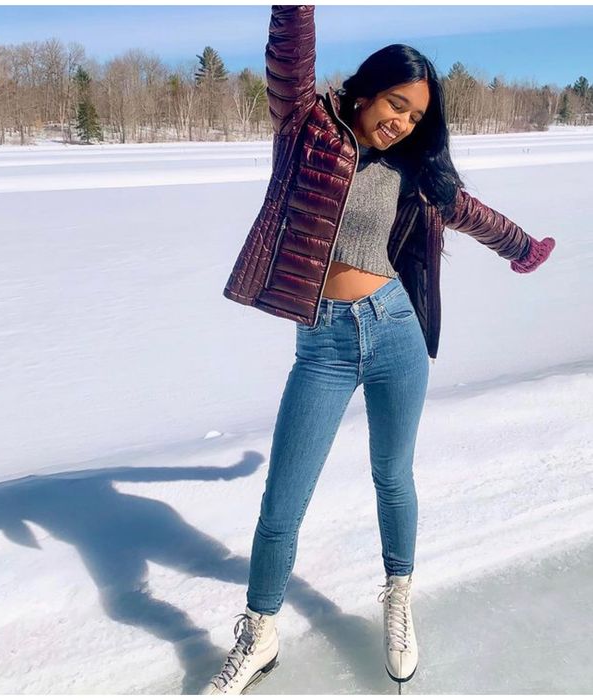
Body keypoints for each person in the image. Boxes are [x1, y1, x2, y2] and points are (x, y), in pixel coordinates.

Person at [207, 6, 555, 694]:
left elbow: (469, 212)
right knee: (282, 503)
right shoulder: (305, 125)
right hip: (323, 345)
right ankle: (260, 631)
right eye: (396, 104)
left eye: (415, 116)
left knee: (393, 477)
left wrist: (521, 247)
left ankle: (398, 596)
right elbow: (288, 57)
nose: (402, 123)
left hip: (394, 328)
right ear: (366, 90)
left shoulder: (410, 169)